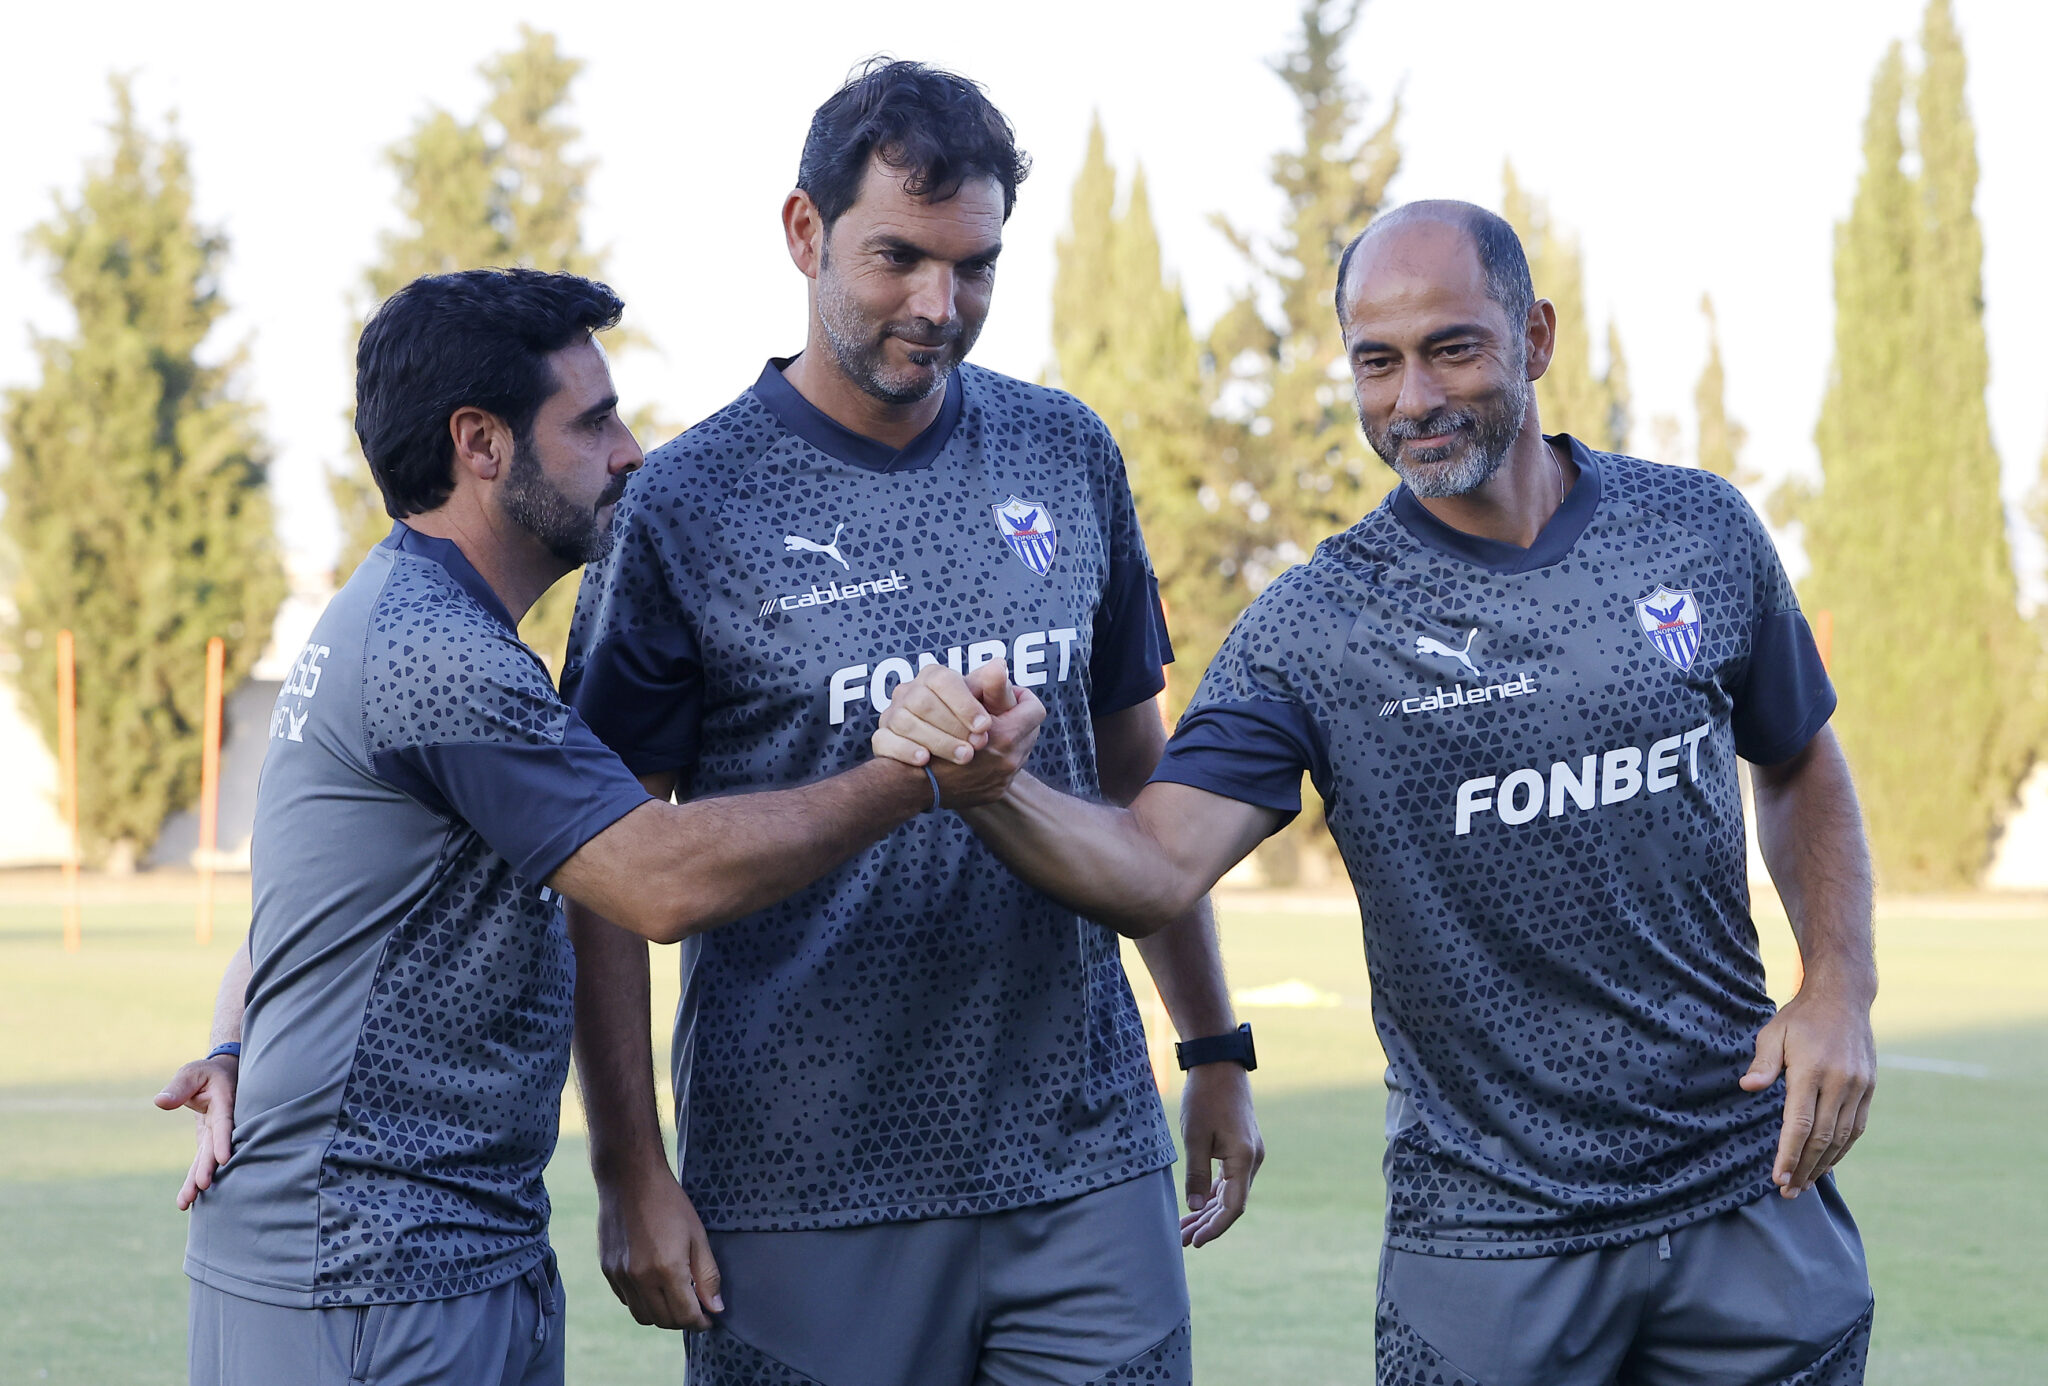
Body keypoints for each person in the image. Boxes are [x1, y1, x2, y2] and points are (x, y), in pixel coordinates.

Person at [877, 201, 1879, 1385]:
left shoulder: (1694, 529)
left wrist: (1837, 985)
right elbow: (1152, 868)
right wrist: (993, 788)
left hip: (1748, 1201)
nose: (1413, 398)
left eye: (1451, 349)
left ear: (1534, 338)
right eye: (1376, 361)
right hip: (1488, 1245)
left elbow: (1797, 756)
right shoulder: (1314, 630)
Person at [154, 266, 1039, 1386]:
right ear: (481, 443)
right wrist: (915, 780)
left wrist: (233, 1042)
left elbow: (301, 895)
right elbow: (656, 881)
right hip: (369, 1277)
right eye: (593, 421)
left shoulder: (401, 616)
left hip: (447, 1258)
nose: (630, 454)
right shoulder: (436, 654)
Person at [559, 60, 1257, 1386]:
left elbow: (1139, 779)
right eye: (899, 258)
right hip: (802, 1179)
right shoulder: (683, 505)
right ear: (805, 232)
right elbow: (600, 871)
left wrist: (1214, 1045)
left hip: (1082, 1155)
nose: (940, 305)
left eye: (974, 265)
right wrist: (628, 1168)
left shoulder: (1066, 452)